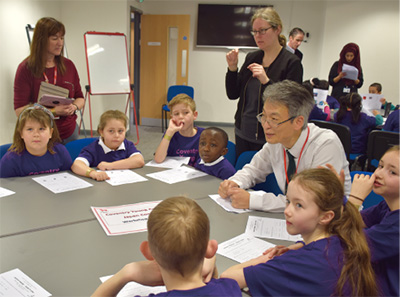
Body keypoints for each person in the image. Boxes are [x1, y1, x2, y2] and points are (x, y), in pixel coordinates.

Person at [220, 168, 378, 297]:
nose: (287, 211)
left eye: (299, 205)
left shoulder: (298, 263)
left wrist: (264, 258)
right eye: (288, 201)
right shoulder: (342, 240)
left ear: (326, 217)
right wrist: (299, 246)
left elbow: (228, 278)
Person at [218, 80, 351, 212]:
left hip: (331, 222)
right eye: (263, 116)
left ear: (298, 122)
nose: (265, 125)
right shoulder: (276, 141)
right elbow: (253, 170)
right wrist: (234, 183)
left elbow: (309, 201)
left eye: (274, 119)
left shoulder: (325, 144)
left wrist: (253, 200)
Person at [91, 196, 242, 297]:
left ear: (147, 251)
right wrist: (211, 261)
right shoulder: (230, 288)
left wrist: (126, 273)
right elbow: (213, 283)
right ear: (211, 248)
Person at [225, 7, 303, 158]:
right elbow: (233, 94)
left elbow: (293, 103)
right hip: (243, 131)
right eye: (254, 31)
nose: (257, 36)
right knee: (244, 175)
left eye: (262, 30)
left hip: (271, 135)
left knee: (268, 179)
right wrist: (232, 69)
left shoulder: (291, 62)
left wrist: (267, 81)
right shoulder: (252, 57)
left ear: (277, 29)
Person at [334, 145, 399, 296]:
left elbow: (348, 246)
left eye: (393, 172)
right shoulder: (386, 206)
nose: (379, 174)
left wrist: (355, 199)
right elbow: (350, 223)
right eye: (381, 166)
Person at [14, 17, 85, 144]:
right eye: (54, 38)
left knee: (70, 163)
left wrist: (73, 106)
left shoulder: (68, 65)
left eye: (62, 38)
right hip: (40, 136)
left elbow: (80, 98)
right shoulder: (26, 68)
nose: (60, 43)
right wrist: (53, 111)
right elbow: (20, 110)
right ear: (41, 40)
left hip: (69, 133)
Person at [0, 104, 72, 178]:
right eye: (30, 129)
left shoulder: (61, 152)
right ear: (21, 133)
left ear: (50, 133)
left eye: (41, 129)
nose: (36, 134)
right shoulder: (10, 160)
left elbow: (69, 178)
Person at [71, 110, 144, 181]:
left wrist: (110, 165)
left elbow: (139, 161)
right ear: (101, 132)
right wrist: (93, 173)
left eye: (120, 131)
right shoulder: (93, 149)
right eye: (111, 131)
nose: (116, 135)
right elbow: (76, 165)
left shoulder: (127, 144)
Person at [154, 94, 204, 166]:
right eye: (176, 114)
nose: (180, 117)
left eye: (186, 113)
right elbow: (158, 159)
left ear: (194, 115)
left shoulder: (204, 135)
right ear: (172, 118)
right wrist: (169, 132)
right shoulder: (170, 135)